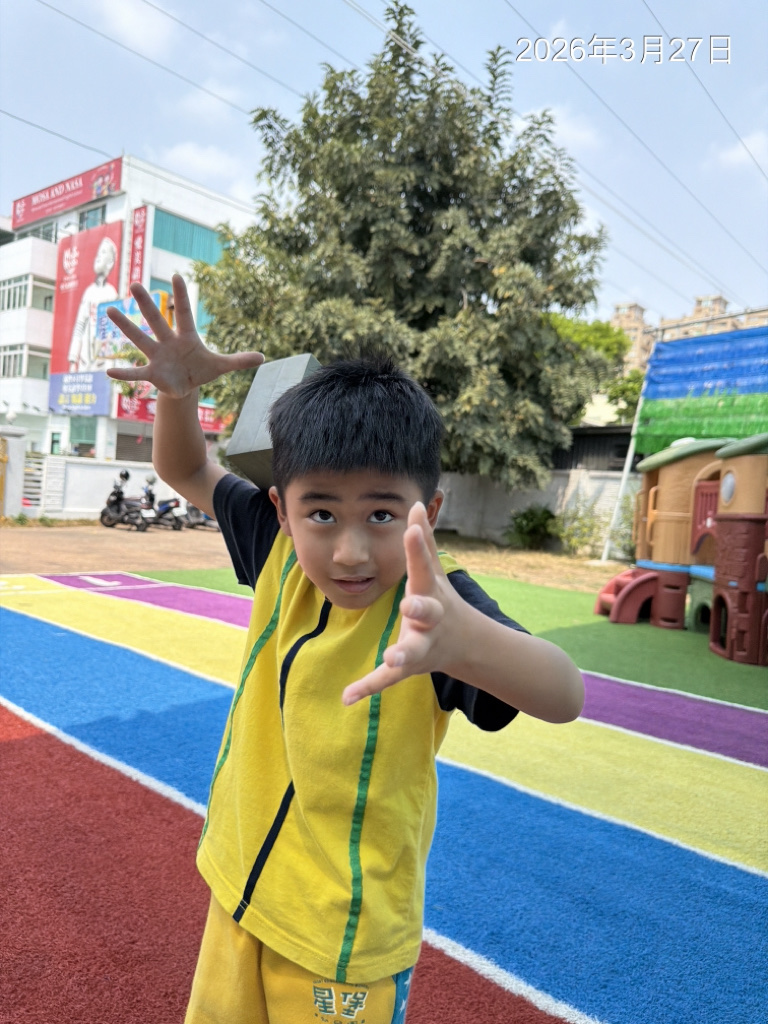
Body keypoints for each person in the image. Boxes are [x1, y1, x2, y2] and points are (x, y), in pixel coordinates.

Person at [106, 274, 585, 1024]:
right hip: (238, 889)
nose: (351, 550)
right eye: (322, 512)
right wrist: (176, 394)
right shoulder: (277, 550)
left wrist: (465, 641)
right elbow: (188, 470)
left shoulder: (436, 606)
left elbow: (563, 693)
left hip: (342, 940)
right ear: (282, 510)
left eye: (383, 514)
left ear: (430, 510)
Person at [67, 236, 119, 373]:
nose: (98, 256)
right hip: (85, 359)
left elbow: (114, 332)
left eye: (103, 253)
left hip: (103, 360)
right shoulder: (89, 292)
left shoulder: (111, 293)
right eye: (98, 253)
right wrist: (73, 359)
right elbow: (80, 325)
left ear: (110, 263)